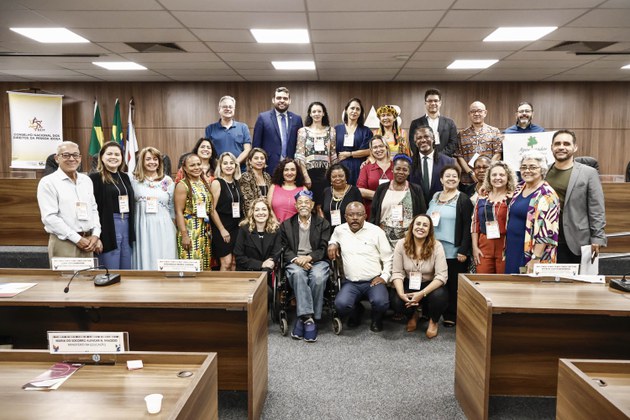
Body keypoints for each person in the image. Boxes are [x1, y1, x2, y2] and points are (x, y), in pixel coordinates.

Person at [328, 202, 393, 333]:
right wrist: (332, 244)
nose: (355, 218)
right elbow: (333, 239)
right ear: (345, 217)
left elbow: (388, 257)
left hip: (373, 281)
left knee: (381, 303)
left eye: (359, 214)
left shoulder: (376, 232)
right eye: (351, 215)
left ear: (365, 216)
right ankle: (356, 311)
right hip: (351, 282)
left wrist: (384, 276)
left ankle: (376, 318)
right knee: (340, 305)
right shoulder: (339, 230)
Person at [546, 130, 606, 263]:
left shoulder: (589, 173)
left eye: (566, 143)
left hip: (577, 240)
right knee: (547, 282)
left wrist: (597, 237)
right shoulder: (544, 172)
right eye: (557, 144)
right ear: (551, 147)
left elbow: (597, 208)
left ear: (575, 147)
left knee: (577, 282)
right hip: (547, 241)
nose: (561, 147)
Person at [37, 141, 102, 263]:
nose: (72, 159)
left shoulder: (86, 180)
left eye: (75, 155)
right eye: (66, 155)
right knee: (65, 281)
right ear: (57, 158)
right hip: (64, 242)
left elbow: (93, 209)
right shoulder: (48, 182)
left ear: (80, 158)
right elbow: (49, 218)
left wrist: (96, 234)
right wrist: (77, 239)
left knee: (87, 280)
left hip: (88, 242)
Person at [280, 190, 331, 342]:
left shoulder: (323, 223)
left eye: (307, 202)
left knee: (318, 277)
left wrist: (309, 258)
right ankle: (309, 319)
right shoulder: (286, 225)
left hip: (317, 260)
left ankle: (303, 318)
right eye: (300, 202)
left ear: (312, 205)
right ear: (295, 205)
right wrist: (297, 259)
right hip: (295, 261)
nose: (303, 205)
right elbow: (283, 247)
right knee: (297, 274)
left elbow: (324, 247)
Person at [426, 165, 472, 326]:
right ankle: (431, 312)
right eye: (448, 176)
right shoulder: (435, 196)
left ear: (459, 180)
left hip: (453, 251)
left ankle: (450, 313)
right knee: (433, 281)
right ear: (441, 179)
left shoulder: (463, 199)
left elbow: (468, 226)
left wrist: (463, 250)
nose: (451, 179)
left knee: (452, 284)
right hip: (433, 249)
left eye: (455, 176)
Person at [391, 214, 449, 339]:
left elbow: (441, 276)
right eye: (418, 224)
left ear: (429, 230)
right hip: (410, 282)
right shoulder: (401, 244)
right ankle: (413, 315)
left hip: (430, 285)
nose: (421, 227)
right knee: (396, 301)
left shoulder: (437, 246)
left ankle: (433, 321)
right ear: (412, 227)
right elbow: (397, 272)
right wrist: (401, 294)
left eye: (425, 225)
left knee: (440, 296)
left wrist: (421, 293)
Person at [505, 150, 560, 274]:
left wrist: (535, 258)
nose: (527, 170)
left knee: (528, 290)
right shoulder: (520, 187)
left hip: (532, 253)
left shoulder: (547, 195)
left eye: (532, 167)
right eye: (523, 167)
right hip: (514, 247)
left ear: (542, 170)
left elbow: (547, 231)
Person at [89, 141, 135, 270]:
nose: (113, 157)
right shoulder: (94, 178)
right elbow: (92, 209)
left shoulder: (125, 177)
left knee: (126, 267)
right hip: (107, 226)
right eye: (109, 154)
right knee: (110, 267)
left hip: (126, 224)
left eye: (117, 154)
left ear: (122, 158)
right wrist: (96, 235)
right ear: (102, 157)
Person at [131, 146, 177, 270]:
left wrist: (174, 225)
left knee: (164, 254)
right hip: (142, 225)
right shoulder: (133, 180)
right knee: (145, 255)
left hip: (164, 225)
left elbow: (172, 206)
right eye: (148, 159)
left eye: (155, 159)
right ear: (142, 161)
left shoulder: (167, 181)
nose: (152, 162)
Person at [370, 154, 427, 248]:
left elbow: (422, 214)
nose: (401, 172)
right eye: (398, 169)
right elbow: (373, 213)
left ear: (409, 172)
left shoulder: (416, 190)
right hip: (383, 239)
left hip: (408, 240)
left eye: (405, 170)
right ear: (392, 169)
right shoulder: (382, 189)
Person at [234, 197, 282, 306]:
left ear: (269, 212)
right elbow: (239, 257)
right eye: (257, 210)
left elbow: (275, 254)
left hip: (264, 275)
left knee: (266, 292)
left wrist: (266, 266)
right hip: (246, 274)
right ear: (252, 213)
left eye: (264, 209)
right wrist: (261, 264)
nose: (261, 213)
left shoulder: (276, 230)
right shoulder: (244, 229)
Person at [471, 161, 516, 274]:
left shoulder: (513, 198)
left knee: (503, 282)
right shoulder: (482, 197)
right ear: (489, 177)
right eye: (494, 175)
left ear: (508, 177)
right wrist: (475, 247)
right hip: (484, 244)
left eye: (502, 175)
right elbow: (475, 223)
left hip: (505, 245)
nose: (498, 178)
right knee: (483, 281)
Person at [174, 153, 213, 270]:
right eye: (192, 165)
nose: (196, 167)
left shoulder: (204, 183)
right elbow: (179, 212)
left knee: (204, 265)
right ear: (185, 168)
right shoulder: (182, 185)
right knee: (191, 266)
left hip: (204, 229)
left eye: (198, 164)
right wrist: (185, 235)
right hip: (190, 230)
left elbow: (210, 208)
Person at [252, 86, 304, 175]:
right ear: (273, 100)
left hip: (291, 168)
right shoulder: (263, 118)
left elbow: (300, 145)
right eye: (279, 98)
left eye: (285, 98)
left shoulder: (297, 119)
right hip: (268, 167)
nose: (282, 100)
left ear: (289, 101)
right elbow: (256, 146)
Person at [295, 101, 338, 207]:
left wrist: (333, 175)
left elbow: (333, 154)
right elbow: (299, 156)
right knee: (311, 204)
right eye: (314, 111)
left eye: (319, 111)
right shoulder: (303, 131)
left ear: (323, 113)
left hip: (326, 174)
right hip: (309, 173)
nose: (316, 114)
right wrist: (305, 176)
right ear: (310, 114)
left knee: (326, 204)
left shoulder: (331, 131)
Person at [455, 101, 503, 186]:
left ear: (485, 113)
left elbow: (498, 154)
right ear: (469, 114)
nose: (476, 114)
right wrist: (471, 173)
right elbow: (459, 157)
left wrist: (487, 172)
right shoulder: (461, 134)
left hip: (489, 179)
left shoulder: (494, 131)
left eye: (479, 111)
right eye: (473, 111)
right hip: (467, 180)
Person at [209, 152, 243, 271]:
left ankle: (234, 289)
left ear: (236, 165)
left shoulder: (237, 182)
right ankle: (222, 289)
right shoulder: (217, 182)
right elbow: (212, 209)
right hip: (222, 226)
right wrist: (222, 229)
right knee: (226, 262)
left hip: (236, 227)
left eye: (231, 163)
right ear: (220, 166)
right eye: (225, 163)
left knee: (234, 263)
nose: (229, 166)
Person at [409, 125, 456, 204]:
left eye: (426, 136)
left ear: (433, 138)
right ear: (415, 142)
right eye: (419, 138)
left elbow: (453, 190)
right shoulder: (409, 163)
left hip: (441, 207)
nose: (423, 140)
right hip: (417, 210)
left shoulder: (448, 162)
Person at [205, 95, 252, 170]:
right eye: (225, 107)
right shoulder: (210, 128)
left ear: (234, 109)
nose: (228, 109)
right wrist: (220, 166)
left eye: (230, 107)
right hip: (217, 169)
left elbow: (247, 149)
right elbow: (208, 151)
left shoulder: (243, 127)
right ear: (219, 109)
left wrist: (234, 164)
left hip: (239, 169)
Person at [408, 88, 458, 158]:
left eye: (436, 101)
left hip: (444, 162)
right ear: (425, 103)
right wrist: (427, 156)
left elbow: (453, 144)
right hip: (423, 161)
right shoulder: (415, 123)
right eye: (430, 101)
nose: (433, 103)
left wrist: (439, 156)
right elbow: (413, 144)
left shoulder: (450, 123)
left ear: (440, 103)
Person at [334, 98, 372, 185]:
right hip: (340, 168)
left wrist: (350, 154)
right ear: (346, 110)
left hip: (359, 168)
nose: (354, 111)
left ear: (360, 113)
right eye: (352, 108)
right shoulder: (336, 129)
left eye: (358, 109)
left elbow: (369, 150)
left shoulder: (366, 131)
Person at [357, 135, 393, 220]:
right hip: (373, 212)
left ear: (386, 147)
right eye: (375, 147)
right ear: (371, 151)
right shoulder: (366, 168)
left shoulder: (396, 166)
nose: (378, 150)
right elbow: (360, 190)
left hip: (393, 212)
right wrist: (382, 196)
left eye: (381, 146)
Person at [321, 163, 362, 229]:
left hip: (350, 231)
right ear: (330, 179)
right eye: (334, 176)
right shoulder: (326, 191)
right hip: (329, 232)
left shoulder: (354, 191)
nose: (337, 178)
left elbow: (361, 213)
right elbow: (322, 211)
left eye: (341, 176)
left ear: (346, 177)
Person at [268, 158, 306, 223]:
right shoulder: (274, 187)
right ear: (281, 172)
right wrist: (276, 223)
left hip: (296, 229)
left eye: (293, 170)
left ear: (297, 172)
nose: (289, 173)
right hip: (275, 228)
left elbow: (306, 212)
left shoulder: (303, 189)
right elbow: (268, 207)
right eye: (286, 170)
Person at [240, 147, 272, 214]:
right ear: (250, 161)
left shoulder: (267, 176)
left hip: (267, 214)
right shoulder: (245, 177)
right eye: (256, 158)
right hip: (252, 215)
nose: (259, 161)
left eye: (262, 158)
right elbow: (248, 202)